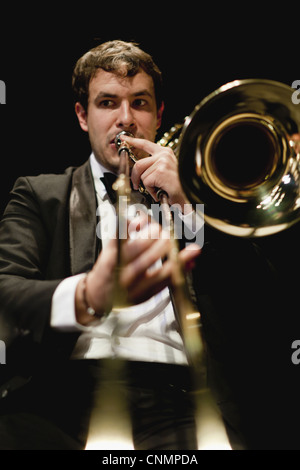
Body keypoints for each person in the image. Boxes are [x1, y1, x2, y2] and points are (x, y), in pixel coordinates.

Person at [0, 40, 205, 450]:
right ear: (82, 115)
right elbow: (5, 292)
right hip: (58, 395)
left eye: (140, 103)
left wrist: (192, 208)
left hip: (180, 398)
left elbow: (264, 301)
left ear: (159, 114)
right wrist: (88, 294)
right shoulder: (41, 195)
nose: (125, 120)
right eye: (108, 103)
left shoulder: (199, 201)